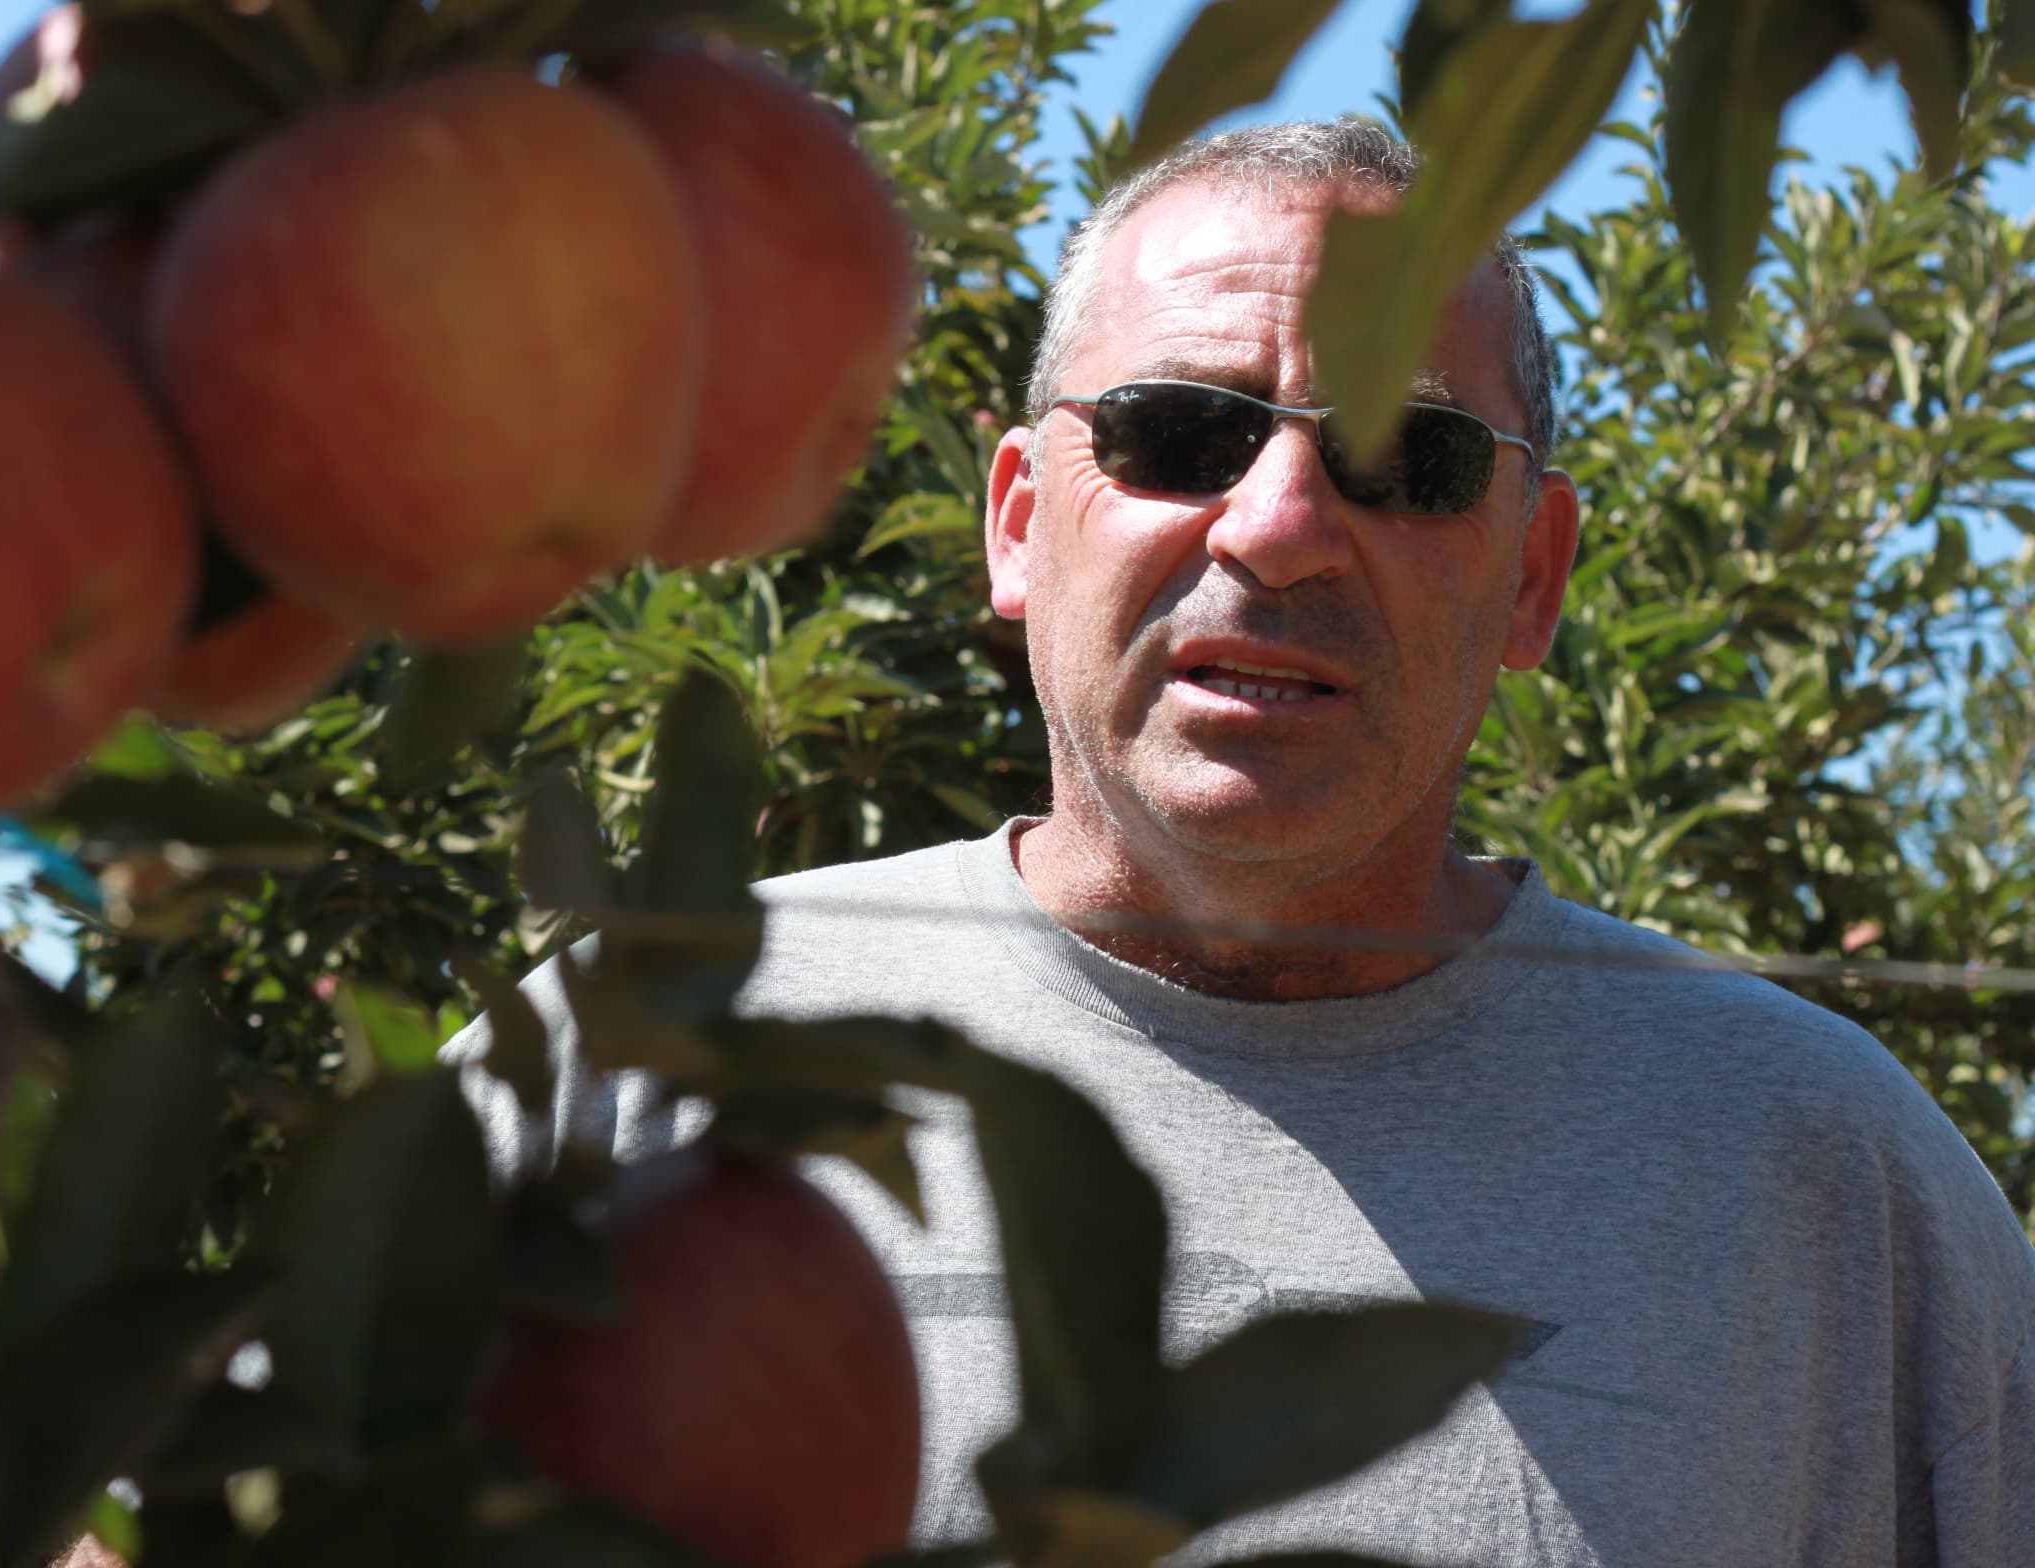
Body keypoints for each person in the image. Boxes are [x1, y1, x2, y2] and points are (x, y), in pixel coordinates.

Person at [454, 120, 2034, 1564]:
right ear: (1017, 523)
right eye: (1179, 431)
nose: (1275, 527)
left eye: (1404, 459)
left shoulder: (1825, 1178)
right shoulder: (646, 1060)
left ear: (1536, 577)